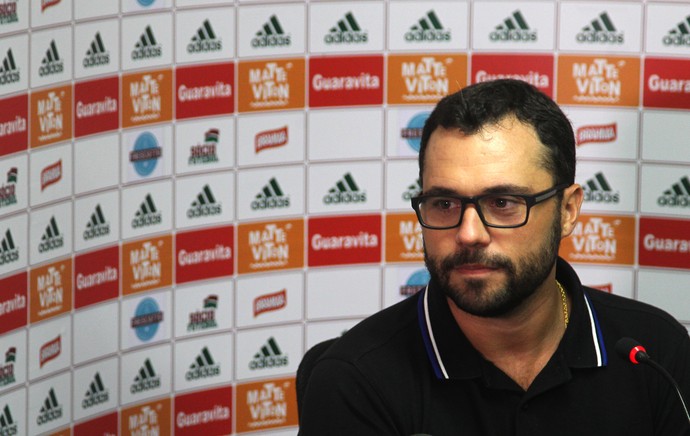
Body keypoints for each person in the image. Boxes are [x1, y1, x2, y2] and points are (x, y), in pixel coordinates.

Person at [298, 79, 690, 435]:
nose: (469, 234)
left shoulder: (656, 353)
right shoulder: (355, 380)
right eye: (445, 203)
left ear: (567, 211)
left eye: (503, 202)